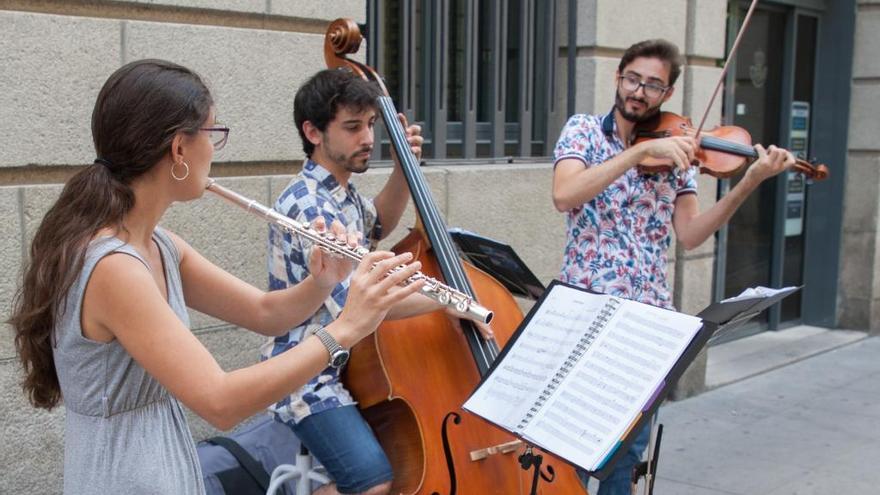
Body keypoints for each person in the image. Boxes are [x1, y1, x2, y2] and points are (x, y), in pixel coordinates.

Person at [8, 59, 425, 495]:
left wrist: (322, 280)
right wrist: (345, 328)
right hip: (126, 477)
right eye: (213, 134)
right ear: (179, 150)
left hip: (165, 465)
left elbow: (265, 313)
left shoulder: (161, 245)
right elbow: (221, 402)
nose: (215, 149)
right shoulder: (114, 267)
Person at [551, 39, 795, 495]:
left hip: (648, 324)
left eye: (654, 86)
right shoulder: (583, 131)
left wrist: (748, 182)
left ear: (667, 94)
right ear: (617, 77)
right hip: (587, 317)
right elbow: (565, 194)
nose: (639, 92)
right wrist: (636, 156)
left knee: (627, 456)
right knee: (574, 452)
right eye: (633, 79)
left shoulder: (680, 152)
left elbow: (691, 234)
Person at [264, 68, 492, 495]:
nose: (368, 138)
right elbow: (360, 300)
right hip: (306, 373)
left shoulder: (342, 192)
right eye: (352, 127)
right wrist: (445, 301)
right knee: (373, 483)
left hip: (343, 360)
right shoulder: (307, 204)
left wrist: (406, 168)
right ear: (312, 132)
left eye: (371, 124)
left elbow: (380, 222)